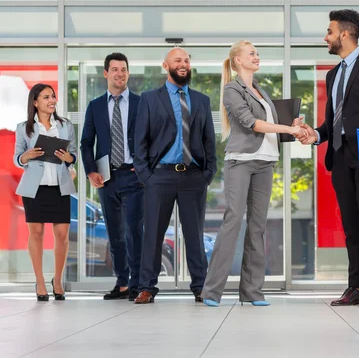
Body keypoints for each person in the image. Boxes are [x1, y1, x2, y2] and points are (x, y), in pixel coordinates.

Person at [297, 9, 359, 308]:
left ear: (344, 33)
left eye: (329, 31)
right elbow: (333, 123)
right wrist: (314, 134)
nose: (325, 37)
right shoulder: (333, 74)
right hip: (340, 157)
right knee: (351, 226)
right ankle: (355, 286)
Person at [201, 41, 305, 307]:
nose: (257, 57)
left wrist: (292, 125)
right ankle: (211, 291)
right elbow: (251, 123)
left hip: (265, 162)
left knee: (258, 227)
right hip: (241, 161)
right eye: (251, 54)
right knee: (233, 221)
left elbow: (270, 122)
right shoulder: (231, 90)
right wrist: (287, 130)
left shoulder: (261, 90)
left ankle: (252, 292)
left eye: (257, 53)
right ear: (237, 61)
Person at [133, 47, 217, 304]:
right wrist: (147, 177)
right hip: (159, 177)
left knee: (195, 235)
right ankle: (147, 287)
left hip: (193, 177)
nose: (183, 64)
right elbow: (140, 142)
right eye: (177, 60)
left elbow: (209, 141)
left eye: (187, 60)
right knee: (153, 236)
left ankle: (200, 287)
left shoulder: (202, 100)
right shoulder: (149, 98)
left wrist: (207, 174)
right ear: (165, 65)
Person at [80, 53, 144, 301]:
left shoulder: (141, 103)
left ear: (128, 73)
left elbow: (151, 138)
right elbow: (86, 142)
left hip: (134, 177)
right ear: (105, 73)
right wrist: (90, 171)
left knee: (134, 232)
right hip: (106, 179)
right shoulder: (95, 106)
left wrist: (144, 166)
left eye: (124, 69)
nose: (120, 73)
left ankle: (138, 284)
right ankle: (122, 283)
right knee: (115, 234)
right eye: (115, 69)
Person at [13, 83, 77, 301]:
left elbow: (73, 155)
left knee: (62, 235)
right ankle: (40, 281)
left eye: (53, 96)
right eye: (46, 97)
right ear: (35, 102)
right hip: (35, 187)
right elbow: (17, 158)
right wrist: (26, 157)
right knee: (37, 234)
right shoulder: (24, 127)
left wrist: (69, 159)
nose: (52, 100)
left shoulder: (65, 125)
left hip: (60, 186)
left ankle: (57, 280)